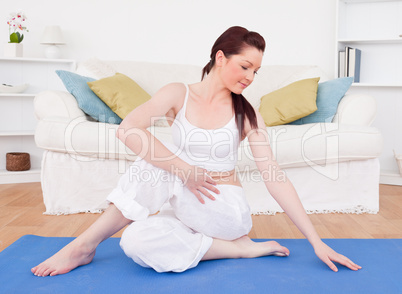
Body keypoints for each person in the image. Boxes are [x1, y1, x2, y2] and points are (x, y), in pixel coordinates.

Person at [31, 26, 361, 276]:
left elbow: (274, 177)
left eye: (255, 71)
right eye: (245, 66)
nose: (250, 77)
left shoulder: (247, 114)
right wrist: (185, 170)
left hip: (222, 210)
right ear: (221, 58)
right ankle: (238, 251)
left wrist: (316, 240)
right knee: (134, 241)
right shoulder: (178, 93)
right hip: (183, 209)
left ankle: (83, 245)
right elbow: (128, 129)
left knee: (158, 165)